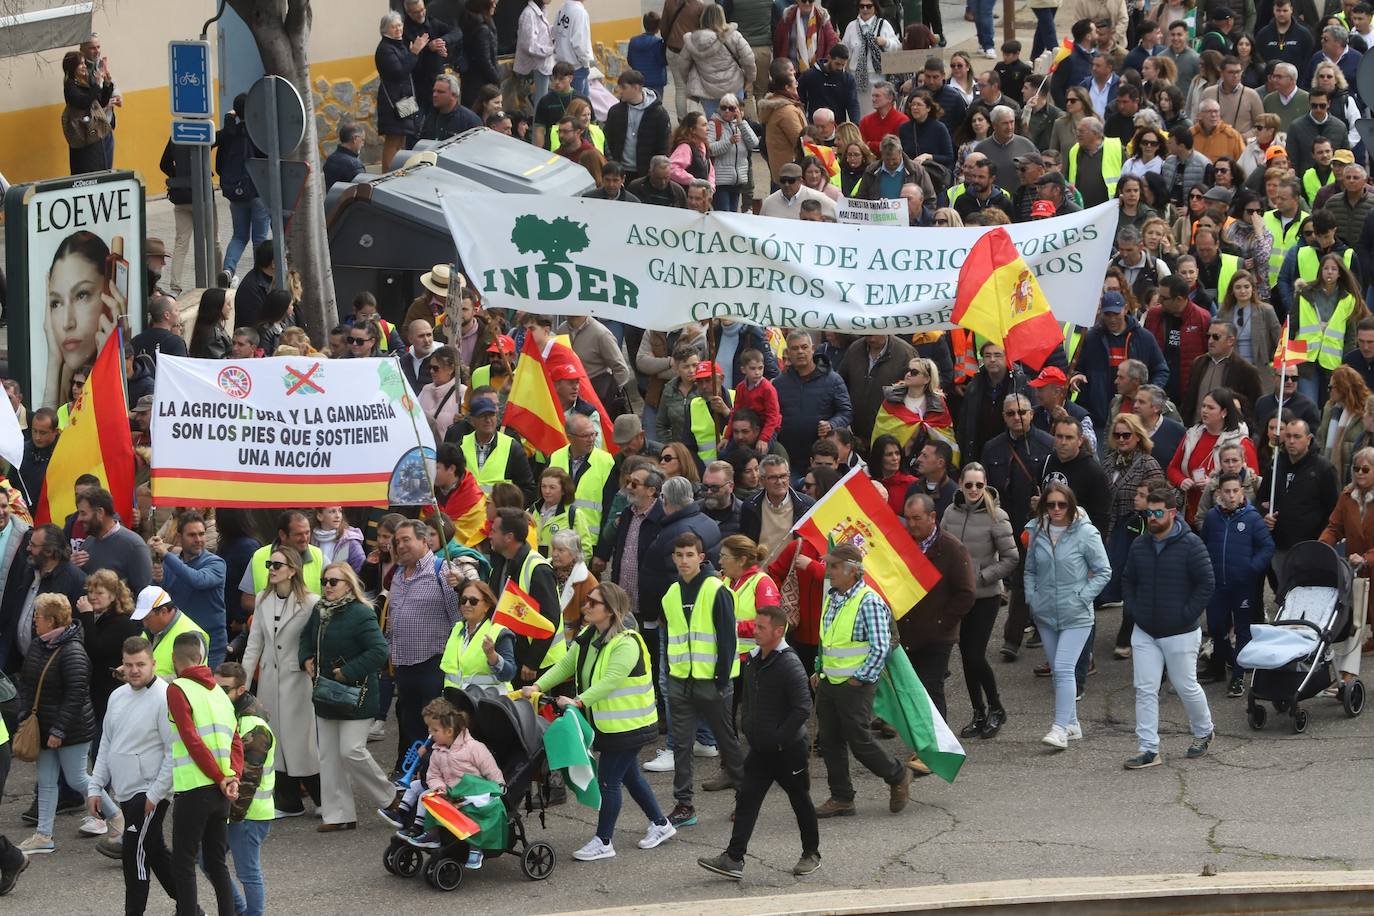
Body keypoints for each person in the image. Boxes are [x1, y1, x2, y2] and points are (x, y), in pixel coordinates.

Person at [526, 582, 675, 860]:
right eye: (588, 602)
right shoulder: (590, 635)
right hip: (610, 725)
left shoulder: (626, 643)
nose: (586, 606)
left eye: (592, 603)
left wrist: (578, 701)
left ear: (611, 610)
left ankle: (604, 841)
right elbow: (567, 665)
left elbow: (610, 681)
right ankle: (661, 824)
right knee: (630, 776)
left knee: (609, 782)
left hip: (630, 726)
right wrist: (538, 686)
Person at [697, 603, 819, 881]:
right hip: (760, 750)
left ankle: (811, 853)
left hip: (787, 751)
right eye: (755, 625)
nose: (755, 630)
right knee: (747, 800)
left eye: (761, 627)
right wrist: (748, 728)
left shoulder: (789, 664)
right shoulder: (753, 659)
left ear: (778, 630)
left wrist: (778, 738)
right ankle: (733, 858)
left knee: (800, 800)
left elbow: (802, 708)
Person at [810, 542, 911, 817]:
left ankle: (897, 775)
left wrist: (860, 679)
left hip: (855, 685)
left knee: (859, 740)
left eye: (834, 567)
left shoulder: (869, 601)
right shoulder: (833, 598)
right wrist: (820, 671)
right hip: (831, 681)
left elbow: (880, 647)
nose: (829, 572)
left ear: (852, 571)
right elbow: (829, 641)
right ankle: (842, 797)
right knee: (829, 741)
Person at [17, 593, 121, 854]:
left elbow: (76, 695)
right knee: (46, 780)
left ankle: (116, 817)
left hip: (70, 730)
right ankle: (43, 835)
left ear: (51, 621)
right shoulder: (40, 644)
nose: (34, 622)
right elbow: (29, 683)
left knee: (77, 778)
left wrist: (59, 729)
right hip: (44, 727)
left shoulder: (72, 650)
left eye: (38, 617)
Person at [1122, 488, 1216, 768]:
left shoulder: (1191, 545)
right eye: (1149, 512)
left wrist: (1185, 614)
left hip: (1181, 631)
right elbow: (1128, 581)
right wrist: (1136, 611)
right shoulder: (1140, 545)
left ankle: (1204, 731)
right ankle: (1149, 748)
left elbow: (1206, 583)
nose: (1152, 517)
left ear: (1172, 513)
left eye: (1158, 512)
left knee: (1185, 685)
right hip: (1146, 631)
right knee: (1145, 689)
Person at [659, 532, 743, 828]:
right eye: (679, 555)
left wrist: (721, 680)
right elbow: (670, 637)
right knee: (682, 745)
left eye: (689, 555)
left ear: (701, 557)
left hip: (713, 681)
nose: (684, 560)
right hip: (681, 680)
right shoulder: (670, 594)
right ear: (673, 558)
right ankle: (684, 805)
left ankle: (744, 799)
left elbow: (726, 638)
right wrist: (670, 674)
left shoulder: (716, 589)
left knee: (726, 742)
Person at [300, 563, 393, 832]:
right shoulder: (320, 611)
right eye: (324, 581)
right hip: (326, 692)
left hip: (357, 694)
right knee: (328, 756)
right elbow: (305, 638)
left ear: (349, 584)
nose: (327, 586)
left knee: (351, 750)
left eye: (334, 582)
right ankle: (339, 815)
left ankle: (390, 798)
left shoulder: (361, 613)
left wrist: (349, 671)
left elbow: (379, 651)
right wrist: (306, 657)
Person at [88, 635, 176, 910]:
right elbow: (107, 744)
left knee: (133, 853)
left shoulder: (164, 697)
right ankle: (191, 906)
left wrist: (155, 794)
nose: (134, 670)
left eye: (140, 664)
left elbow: (173, 752)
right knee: (155, 851)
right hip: (125, 789)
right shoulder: (117, 696)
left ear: (153, 663)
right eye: (129, 665)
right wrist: (95, 787)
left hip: (149, 791)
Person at [166, 630, 242, 916]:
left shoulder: (178, 689)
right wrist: (231, 776)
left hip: (194, 788)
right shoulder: (220, 695)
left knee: (184, 862)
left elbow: (190, 738)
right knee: (217, 863)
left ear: (175, 659)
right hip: (221, 792)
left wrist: (218, 776)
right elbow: (236, 740)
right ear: (201, 658)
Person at [241, 544, 320, 817]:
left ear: (292, 570)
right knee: (275, 740)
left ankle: (323, 800)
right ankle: (288, 801)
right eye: (270, 565)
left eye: (277, 565)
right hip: (270, 681)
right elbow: (254, 645)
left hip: (298, 681)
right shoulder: (263, 598)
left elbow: (316, 643)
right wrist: (243, 683)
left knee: (302, 743)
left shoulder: (311, 602)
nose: (271, 570)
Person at [941, 464, 1018, 738]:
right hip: (958, 597)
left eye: (979, 485)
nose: (973, 490)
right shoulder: (950, 512)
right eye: (969, 484)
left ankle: (996, 707)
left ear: (986, 486)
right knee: (965, 657)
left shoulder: (997, 516)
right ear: (960, 484)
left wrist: (983, 576)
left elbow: (1011, 558)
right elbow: (941, 547)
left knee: (975, 655)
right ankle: (978, 712)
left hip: (985, 597)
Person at [387, 699, 503, 865]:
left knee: (467, 811)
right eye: (429, 728)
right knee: (428, 798)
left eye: (434, 730)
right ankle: (429, 833)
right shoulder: (437, 751)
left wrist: (499, 786)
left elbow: (490, 770)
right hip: (449, 793)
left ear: (449, 731)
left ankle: (474, 847)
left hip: (471, 794)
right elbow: (433, 775)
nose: (430, 733)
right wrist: (439, 788)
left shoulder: (474, 748)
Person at [1202, 471, 1276, 697]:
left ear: (1242, 492)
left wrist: (1251, 569)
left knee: (1243, 630)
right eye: (1227, 491)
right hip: (1217, 585)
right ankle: (1231, 662)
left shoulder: (1252, 518)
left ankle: (1238, 677)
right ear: (1219, 493)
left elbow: (1267, 547)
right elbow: (1203, 545)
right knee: (1216, 627)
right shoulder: (1213, 518)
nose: (1232, 496)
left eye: (1235, 491)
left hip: (1243, 585)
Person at [210, 662, 274, 916]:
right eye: (214, 687)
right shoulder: (235, 712)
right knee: (208, 859)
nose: (218, 693)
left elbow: (249, 779)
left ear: (241, 689)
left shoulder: (253, 726)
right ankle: (239, 910)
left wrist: (231, 816)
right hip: (238, 811)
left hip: (248, 814)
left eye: (224, 689)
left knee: (248, 873)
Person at [1264, 418, 1341, 575]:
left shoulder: (1323, 469)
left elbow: (1333, 510)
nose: (1292, 441)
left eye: (1297, 437)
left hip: (1309, 545)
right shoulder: (1276, 464)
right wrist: (1264, 514)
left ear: (1309, 439)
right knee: (1280, 589)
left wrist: (1322, 542)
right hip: (1278, 543)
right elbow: (1262, 497)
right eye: (1288, 436)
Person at [151, 511, 226, 668]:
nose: (198, 540)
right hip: (179, 643)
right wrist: (157, 581)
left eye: (201, 534)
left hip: (209, 646)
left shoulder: (216, 563)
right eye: (192, 535)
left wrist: (166, 554)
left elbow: (197, 580)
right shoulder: (170, 565)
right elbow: (160, 602)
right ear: (179, 537)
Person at [375, 11, 426, 170]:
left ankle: (398, 173)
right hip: (394, 101)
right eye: (393, 27)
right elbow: (399, 72)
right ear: (385, 30)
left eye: (399, 25)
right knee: (393, 139)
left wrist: (413, 54)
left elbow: (410, 67)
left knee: (402, 138)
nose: (398, 29)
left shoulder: (399, 44)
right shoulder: (385, 49)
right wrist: (414, 53)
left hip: (405, 99)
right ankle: (387, 175)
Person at [604, 69, 671, 184]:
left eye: (623, 87)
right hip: (619, 171)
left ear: (636, 88)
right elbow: (607, 140)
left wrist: (654, 169)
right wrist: (612, 163)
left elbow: (663, 146)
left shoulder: (659, 114)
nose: (619, 91)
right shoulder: (615, 112)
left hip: (645, 174)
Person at [323, 123, 365, 189]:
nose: (363, 144)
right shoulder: (355, 165)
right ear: (355, 139)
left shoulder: (330, 159)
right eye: (362, 140)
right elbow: (364, 190)